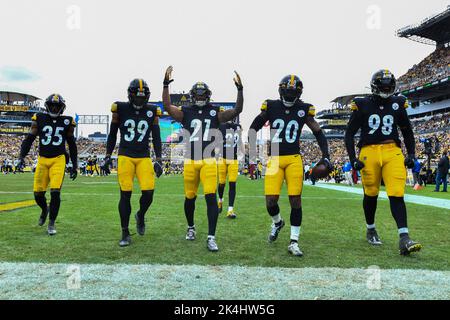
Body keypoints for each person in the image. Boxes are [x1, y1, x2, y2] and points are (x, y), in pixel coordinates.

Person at [249, 74, 332, 257]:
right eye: (287, 92)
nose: (289, 95)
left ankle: (294, 241)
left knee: (295, 200)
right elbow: (254, 128)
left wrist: (326, 156)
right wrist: (253, 156)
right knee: (271, 201)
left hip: (294, 158)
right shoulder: (271, 106)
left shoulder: (304, 109)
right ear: (281, 91)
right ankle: (278, 222)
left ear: (299, 93)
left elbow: (318, 132)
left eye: (292, 92)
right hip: (275, 159)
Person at [162, 66, 243, 252]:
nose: (199, 98)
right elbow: (167, 106)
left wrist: (240, 90)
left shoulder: (216, 112)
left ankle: (211, 236)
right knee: (189, 197)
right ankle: (191, 227)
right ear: (192, 96)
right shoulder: (186, 112)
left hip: (208, 160)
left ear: (207, 96)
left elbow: (238, 109)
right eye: (197, 95)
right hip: (190, 160)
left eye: (202, 95)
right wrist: (166, 84)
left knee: (210, 198)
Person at [344, 69, 422, 255]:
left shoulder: (398, 103)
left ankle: (404, 238)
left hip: (392, 151)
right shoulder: (361, 104)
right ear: (375, 87)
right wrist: (353, 158)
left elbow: (407, 131)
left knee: (396, 193)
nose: (387, 89)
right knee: (370, 193)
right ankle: (370, 228)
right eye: (383, 86)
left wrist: (411, 153)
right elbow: (349, 133)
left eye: (389, 86)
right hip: (368, 151)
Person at [105, 79, 163, 247]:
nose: (139, 100)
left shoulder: (153, 111)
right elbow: (112, 134)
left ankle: (141, 215)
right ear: (130, 96)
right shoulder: (120, 108)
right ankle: (124, 231)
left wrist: (158, 159)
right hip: (125, 155)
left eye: (142, 97)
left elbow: (157, 137)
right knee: (126, 193)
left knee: (149, 193)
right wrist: (108, 155)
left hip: (144, 156)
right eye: (136, 97)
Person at [18, 94, 78, 235]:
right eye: (52, 105)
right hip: (43, 159)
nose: (54, 108)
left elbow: (72, 144)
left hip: (59, 158)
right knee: (38, 194)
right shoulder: (39, 118)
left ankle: (51, 223)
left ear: (62, 108)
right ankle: (45, 209)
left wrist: (74, 165)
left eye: (57, 106)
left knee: (55, 192)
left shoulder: (68, 121)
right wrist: (21, 156)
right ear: (47, 106)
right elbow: (30, 138)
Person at [217, 120, 243, 219]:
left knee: (232, 184)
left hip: (233, 159)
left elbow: (239, 141)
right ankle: (220, 200)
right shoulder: (221, 125)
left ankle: (230, 210)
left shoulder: (238, 127)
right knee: (221, 183)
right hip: (222, 158)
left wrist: (243, 153)